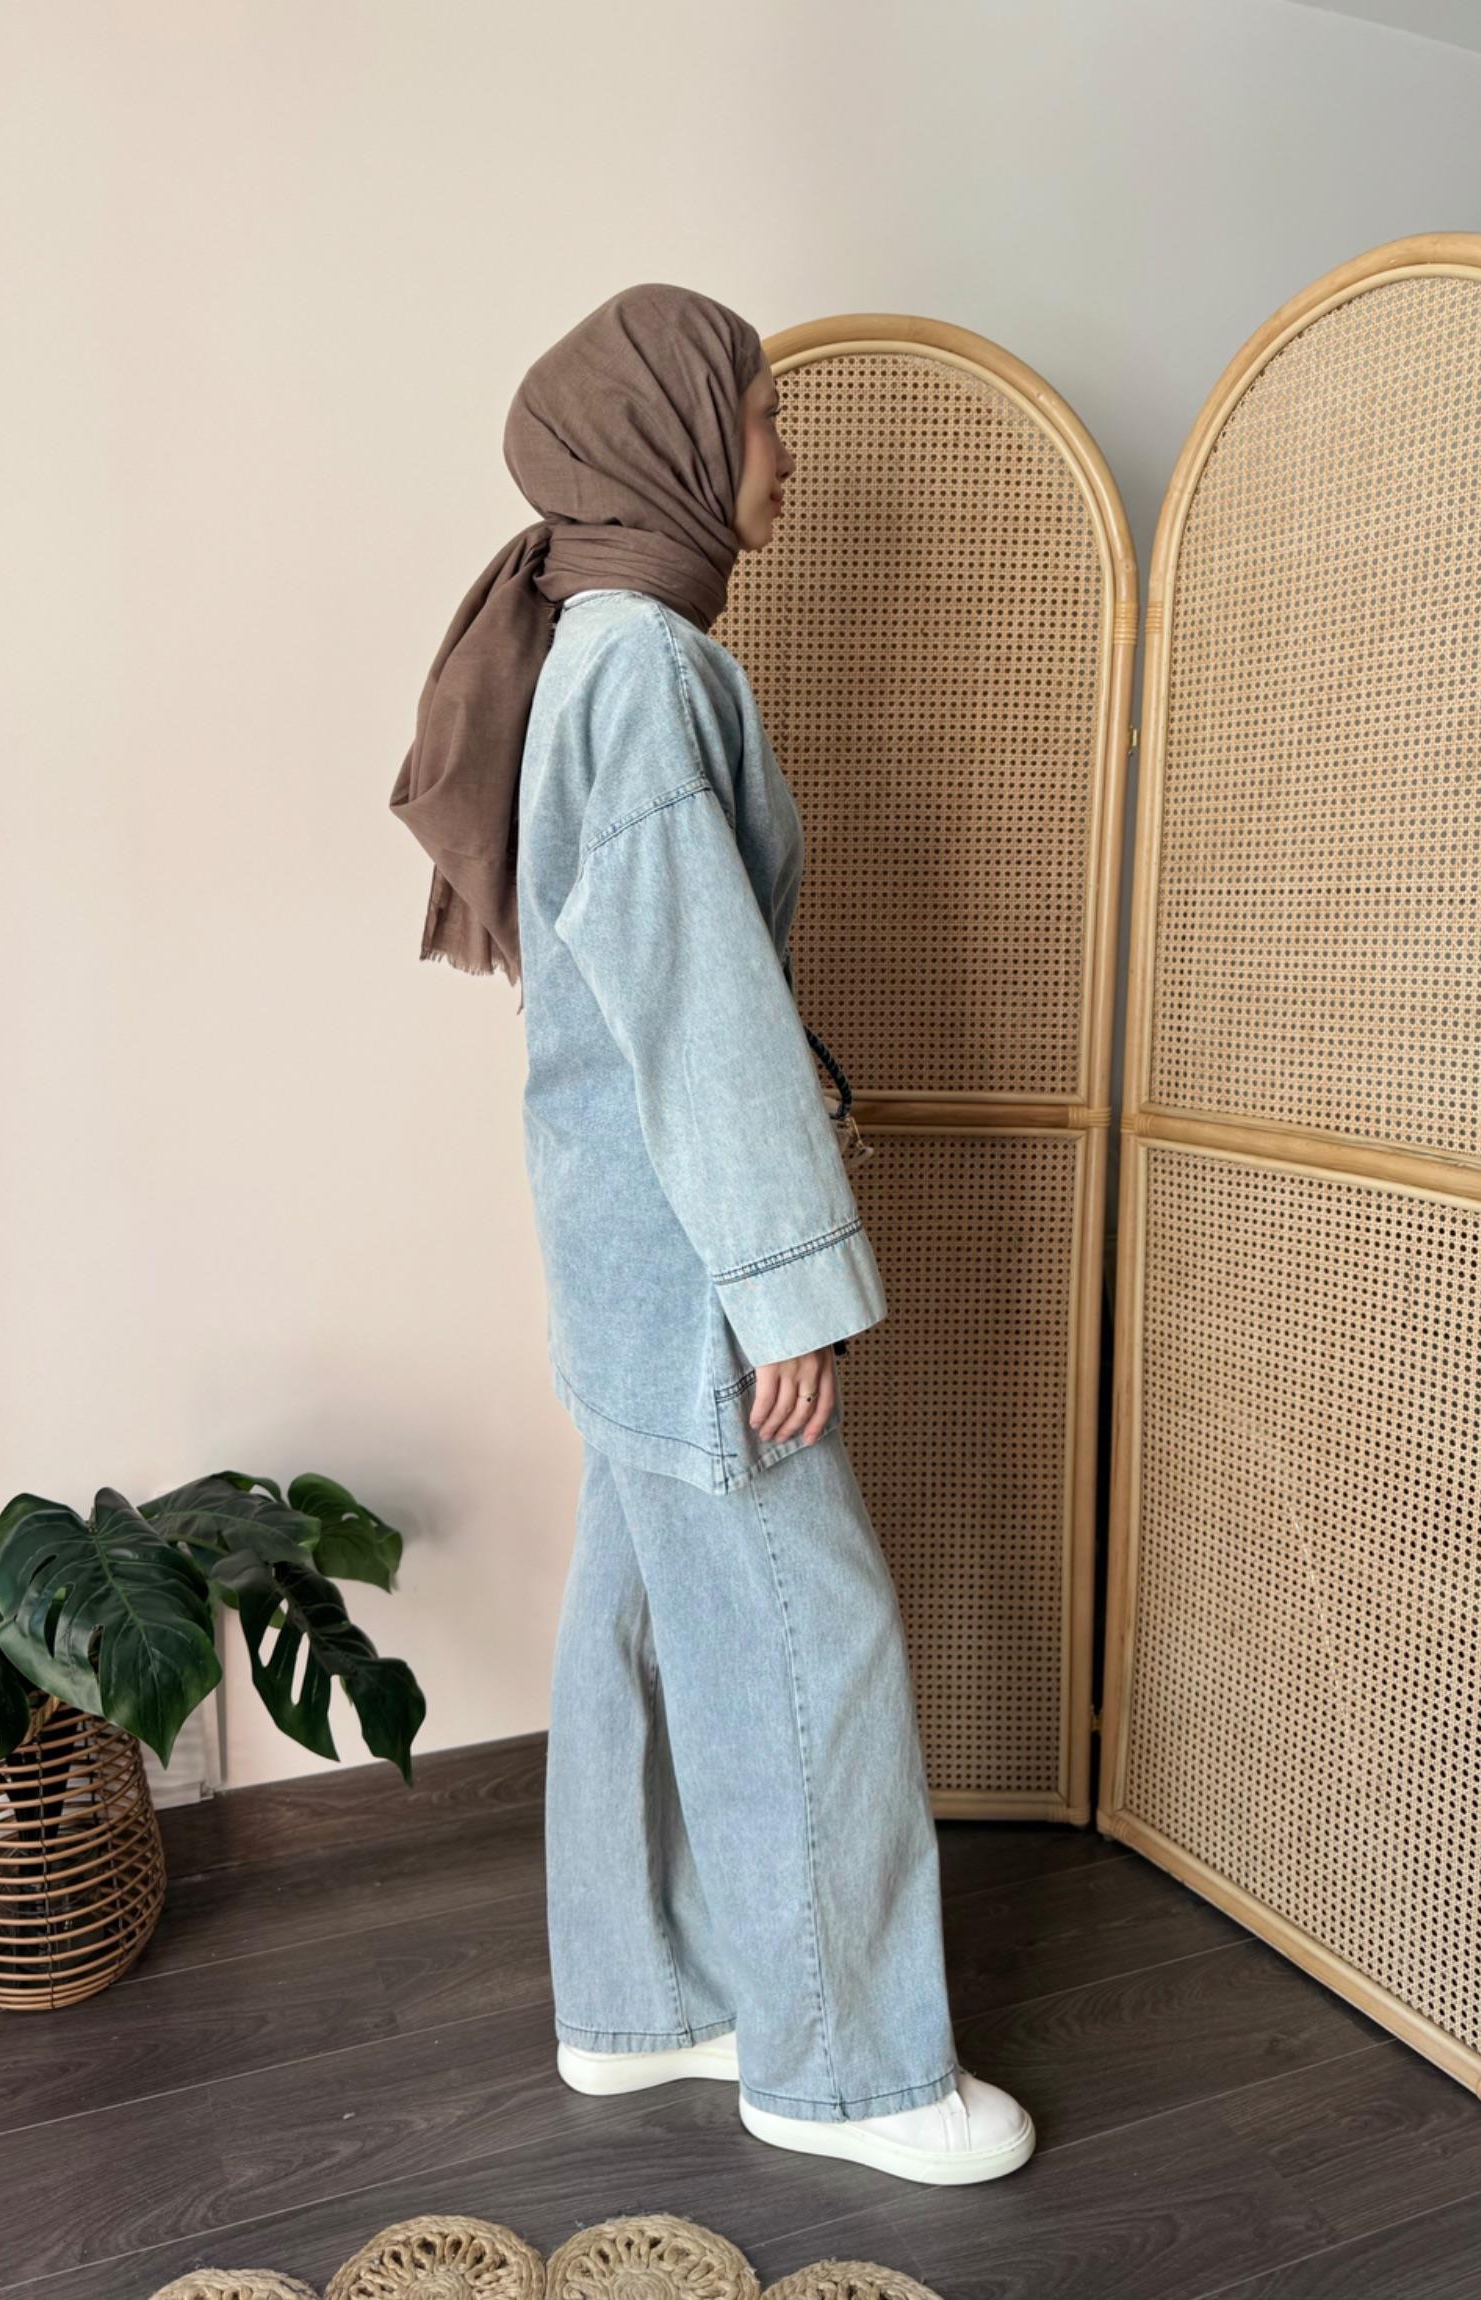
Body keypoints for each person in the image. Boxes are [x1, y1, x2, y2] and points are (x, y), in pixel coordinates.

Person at [388, 283, 1035, 2186]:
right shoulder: (646, 669)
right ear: (666, 439)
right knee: (803, 1638)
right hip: (686, 1255)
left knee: (647, 1617)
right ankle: (848, 2074)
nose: (786, 454)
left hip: (618, 1239)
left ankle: (645, 1999)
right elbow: (703, 1010)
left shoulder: (590, 651)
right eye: (760, 415)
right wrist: (782, 1294)